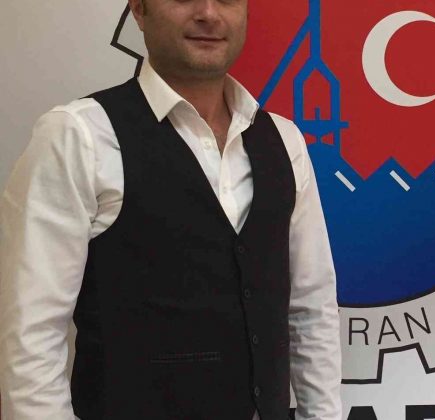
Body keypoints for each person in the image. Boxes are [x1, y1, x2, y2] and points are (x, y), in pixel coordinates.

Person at [0, 0, 342, 418]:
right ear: (139, 10)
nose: (209, 14)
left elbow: (311, 307)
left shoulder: (285, 142)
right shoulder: (79, 135)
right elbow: (31, 337)